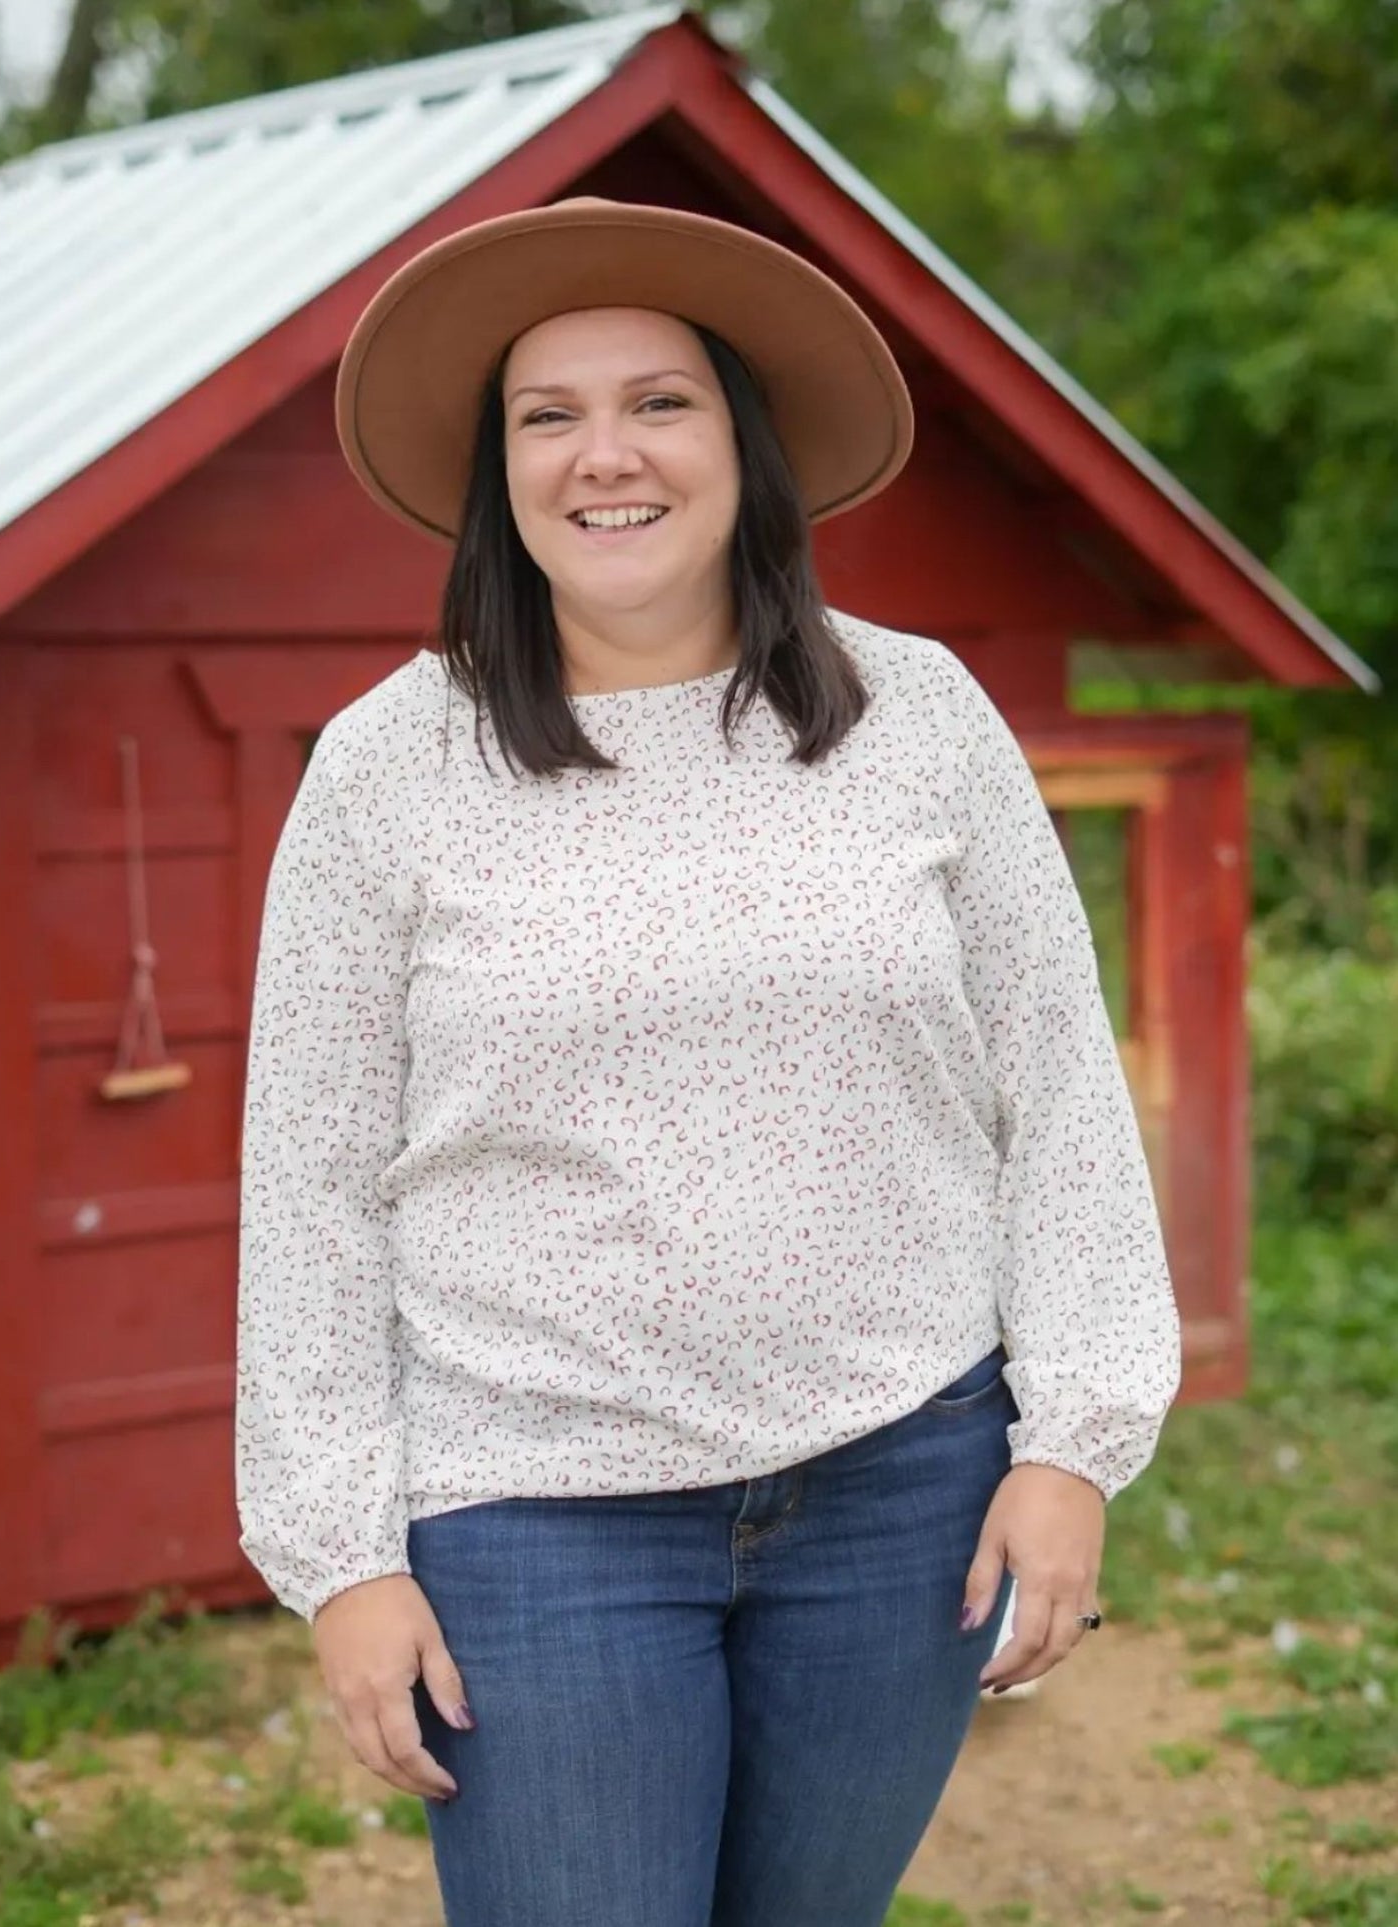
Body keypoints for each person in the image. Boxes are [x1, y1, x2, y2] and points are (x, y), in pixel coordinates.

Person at [236, 197, 1183, 1927]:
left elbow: (1054, 1086)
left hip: (903, 1483)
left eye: (659, 401)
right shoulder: (388, 770)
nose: (607, 454)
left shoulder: (921, 721)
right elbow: (305, 1178)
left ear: (741, 449)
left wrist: (1071, 1442)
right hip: (536, 1513)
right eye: (548, 414)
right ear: (496, 475)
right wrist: (341, 1555)